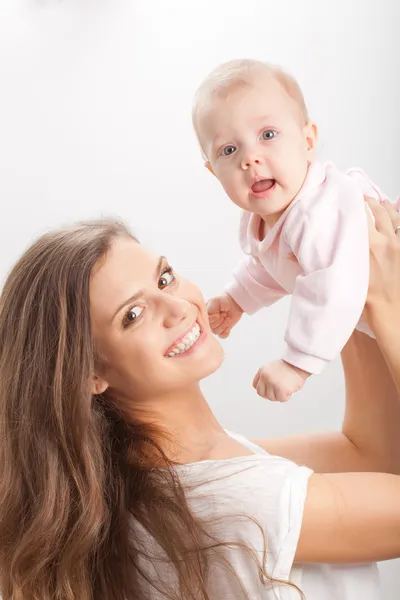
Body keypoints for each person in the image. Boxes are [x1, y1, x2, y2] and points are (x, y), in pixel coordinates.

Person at [0, 198, 400, 600]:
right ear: (90, 373)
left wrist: (339, 277)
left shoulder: (168, 477)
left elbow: (371, 456)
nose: (177, 308)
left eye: (165, 279)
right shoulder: (238, 502)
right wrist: (388, 305)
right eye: (133, 315)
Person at [192, 58, 397, 403]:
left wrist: (296, 363)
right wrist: (237, 298)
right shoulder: (272, 219)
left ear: (308, 141)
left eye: (267, 135)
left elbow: (330, 285)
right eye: (229, 149)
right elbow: (273, 265)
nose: (250, 158)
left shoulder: (316, 211)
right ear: (214, 173)